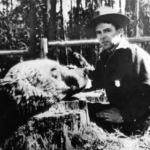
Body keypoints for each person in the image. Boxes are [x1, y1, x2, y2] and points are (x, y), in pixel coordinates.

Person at [87, 6, 150, 135]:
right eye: (99, 32)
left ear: (120, 31)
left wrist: (124, 115)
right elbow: (95, 81)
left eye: (107, 30)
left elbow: (147, 93)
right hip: (116, 111)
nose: (102, 36)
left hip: (138, 120)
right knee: (85, 110)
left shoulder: (134, 54)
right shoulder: (105, 57)